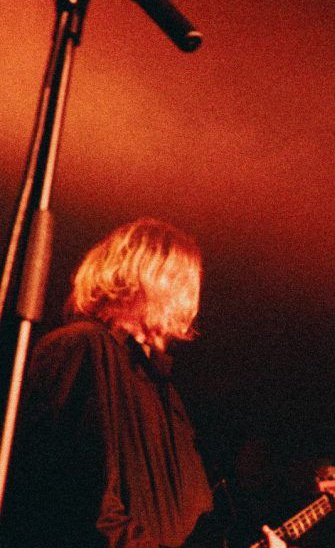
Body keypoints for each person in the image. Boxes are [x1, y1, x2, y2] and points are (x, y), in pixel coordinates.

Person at [1, 218, 285, 548]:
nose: (187, 296)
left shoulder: (164, 392)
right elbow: (75, 500)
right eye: (177, 278)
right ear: (138, 276)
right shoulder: (80, 347)